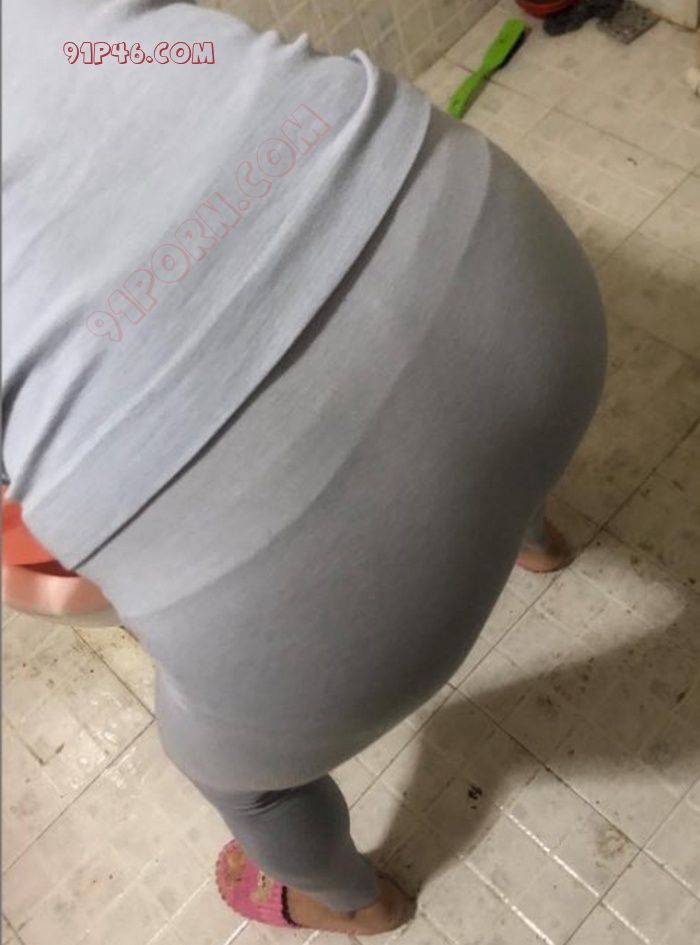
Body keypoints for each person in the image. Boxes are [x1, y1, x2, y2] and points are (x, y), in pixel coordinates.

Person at [1, 0, 606, 935]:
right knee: (446, 393)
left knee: (235, 774)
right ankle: (533, 531)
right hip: (533, 295)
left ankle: (352, 901)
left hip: (321, 613)